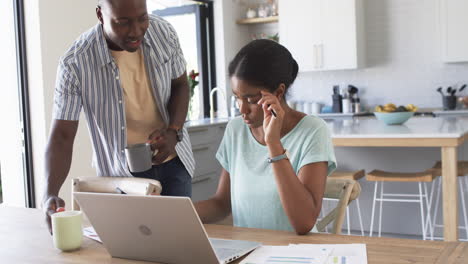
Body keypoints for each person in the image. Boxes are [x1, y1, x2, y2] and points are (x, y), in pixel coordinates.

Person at [43, 0, 195, 233]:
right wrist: (50, 193)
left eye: (142, 18)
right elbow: (62, 135)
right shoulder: (75, 63)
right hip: (121, 178)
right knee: (131, 249)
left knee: (180, 243)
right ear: (100, 15)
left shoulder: (164, 32)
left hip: (174, 164)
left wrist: (173, 130)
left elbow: (180, 85)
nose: (135, 31)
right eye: (123, 22)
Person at [195, 39, 337, 235]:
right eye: (237, 97)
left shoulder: (312, 131)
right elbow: (222, 204)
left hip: (296, 253)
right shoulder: (235, 130)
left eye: (251, 100)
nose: (242, 109)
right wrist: (177, 215)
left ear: (278, 92)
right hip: (248, 252)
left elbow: (304, 222)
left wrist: (274, 144)